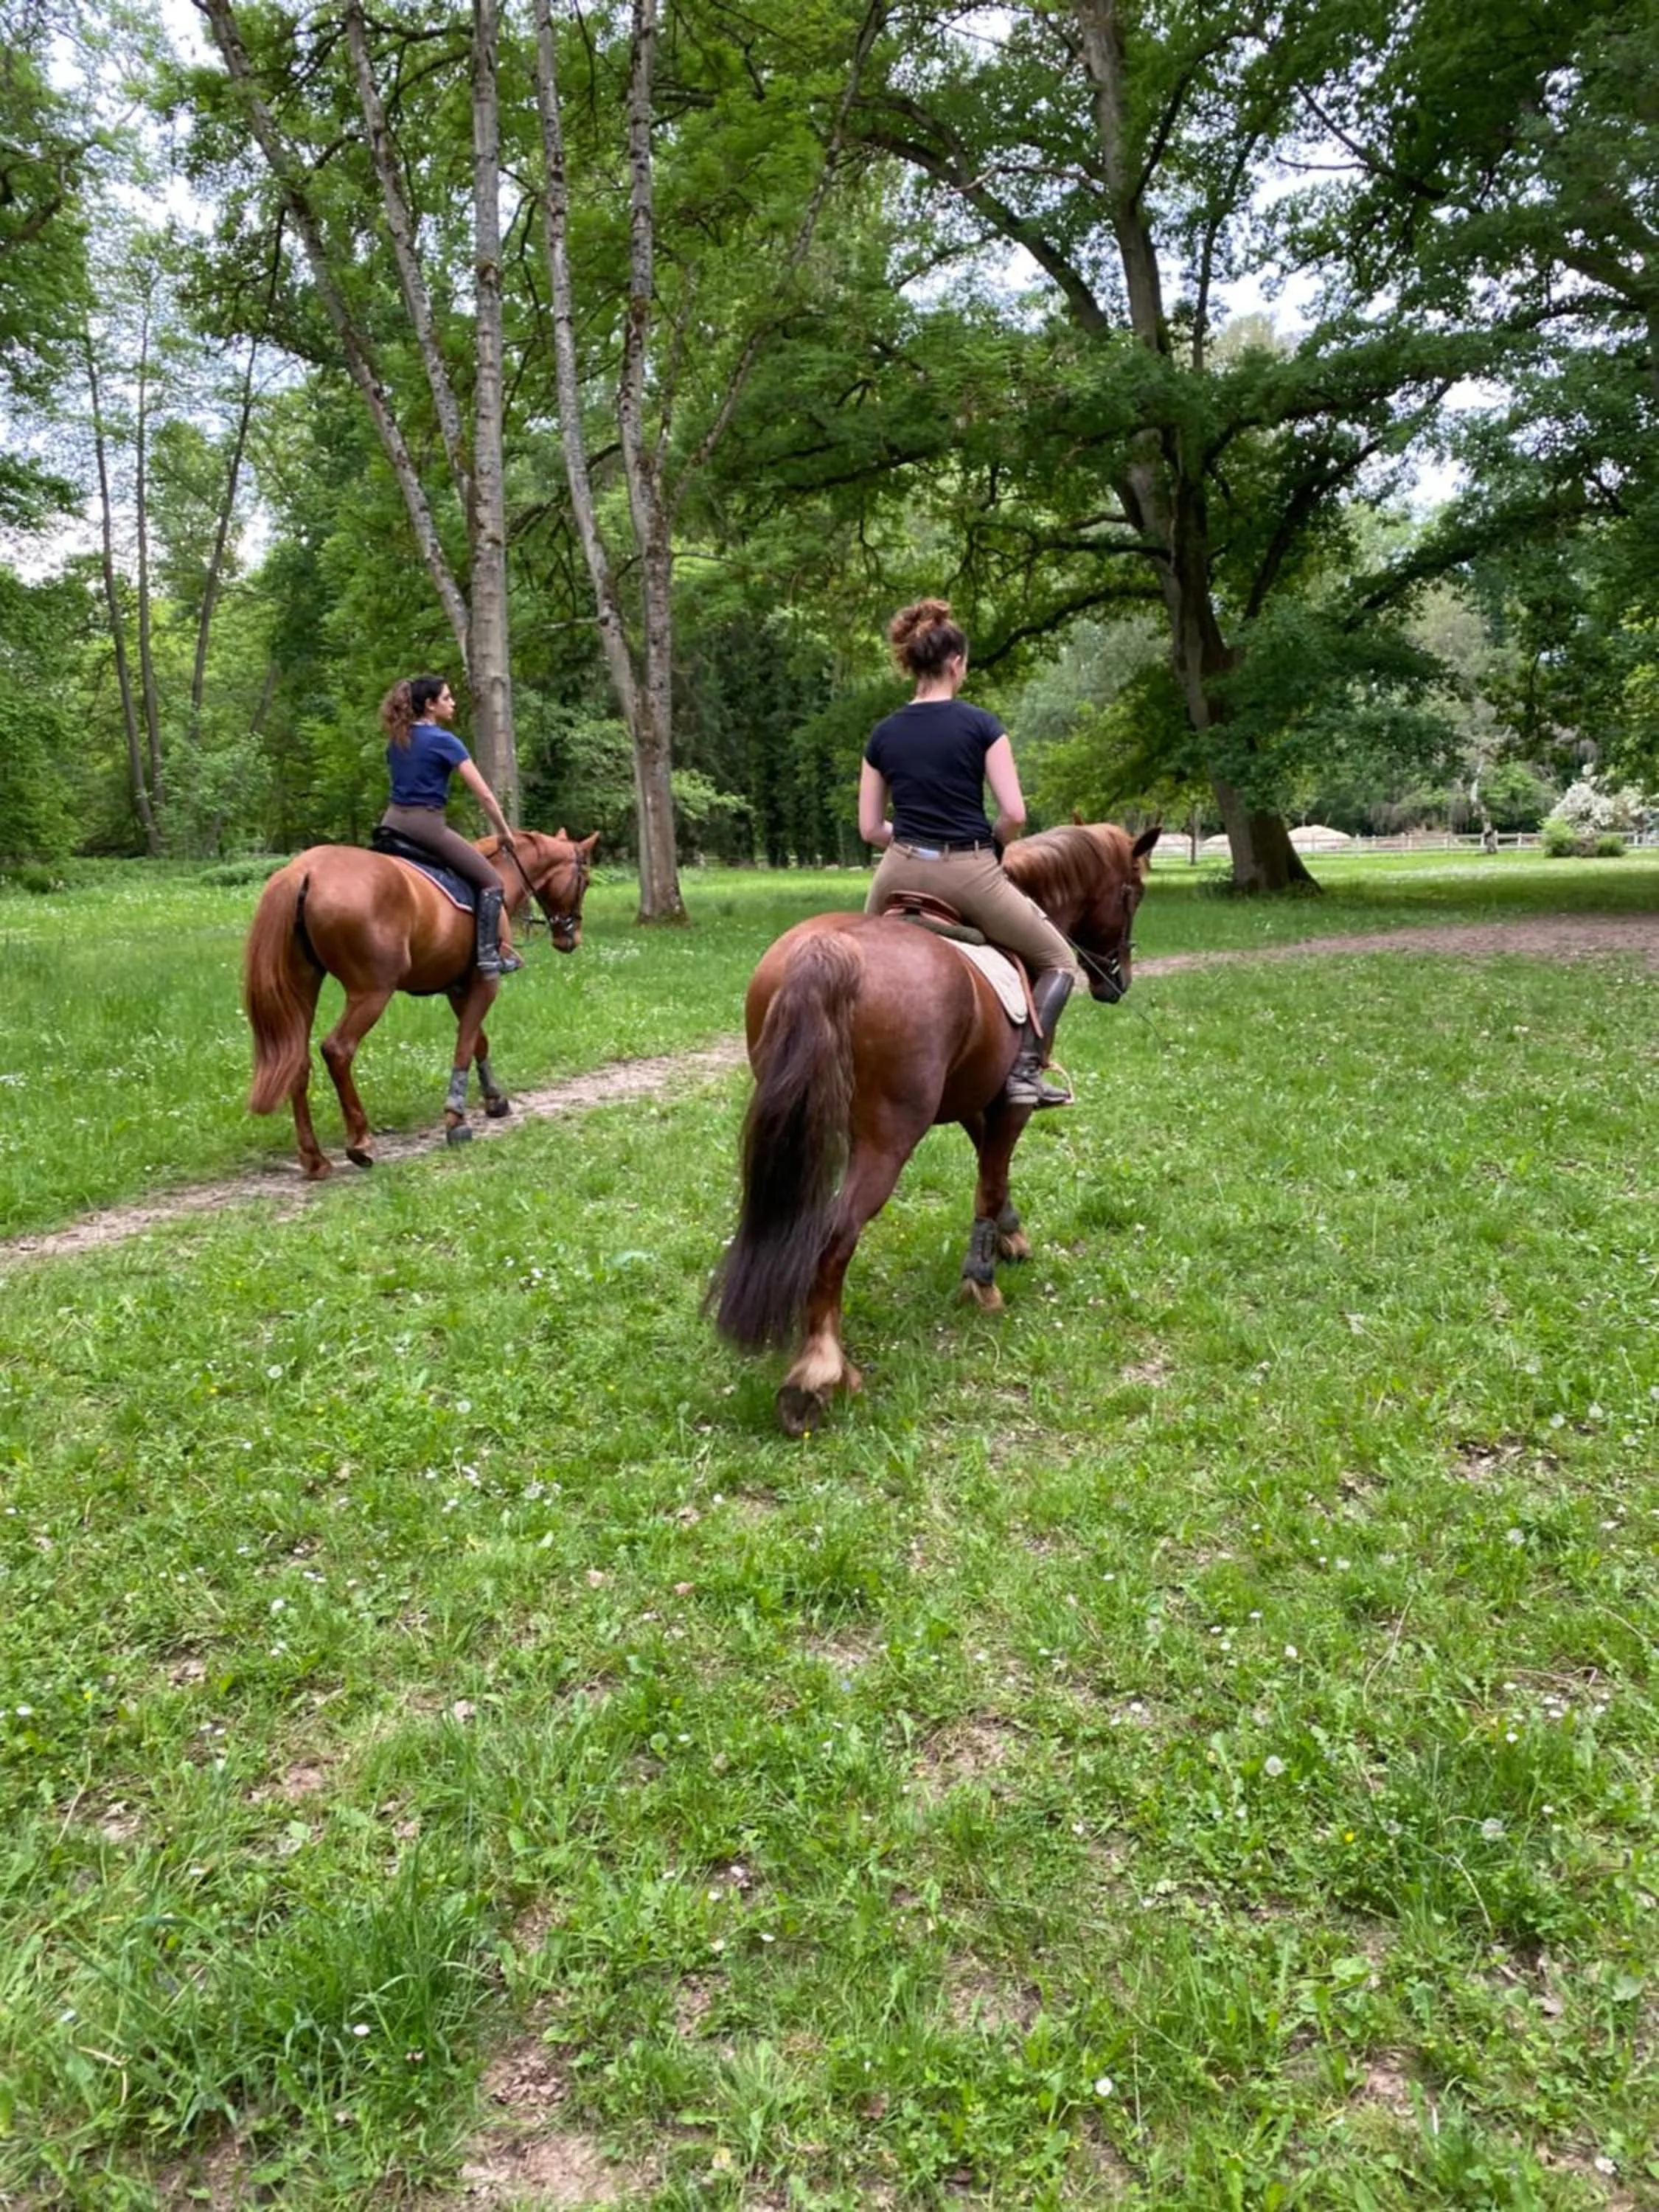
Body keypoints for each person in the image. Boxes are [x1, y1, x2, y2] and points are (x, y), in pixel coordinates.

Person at [860, 599, 1083, 1107]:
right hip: (968, 871)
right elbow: (1014, 814)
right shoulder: (982, 725)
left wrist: (910, 843)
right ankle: (1025, 1072)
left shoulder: (883, 734)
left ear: (912, 663)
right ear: (956, 662)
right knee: (1060, 960)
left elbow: (870, 828)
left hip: (897, 869)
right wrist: (994, 845)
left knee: (857, 957)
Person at [378, 675, 522, 978]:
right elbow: (485, 795)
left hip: (391, 823)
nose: (453, 703)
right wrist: (503, 832)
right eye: (446, 698)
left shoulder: (398, 738)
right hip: (426, 826)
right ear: (430, 705)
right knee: (492, 881)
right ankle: (488, 956)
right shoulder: (444, 741)